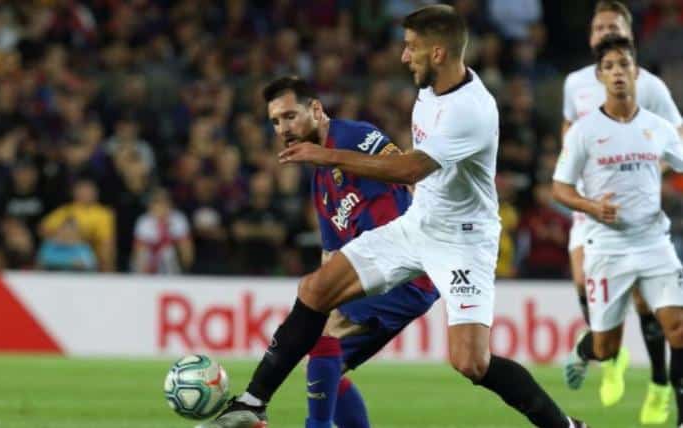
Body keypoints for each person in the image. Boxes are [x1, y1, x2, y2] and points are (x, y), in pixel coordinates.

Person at [205, 5, 587, 428]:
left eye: (411, 48)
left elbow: (409, 169)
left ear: (438, 53)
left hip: (464, 241)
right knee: (316, 289)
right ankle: (252, 403)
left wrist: (326, 155)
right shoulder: (429, 92)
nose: (404, 57)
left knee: (471, 362)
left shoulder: (471, 111)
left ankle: (564, 426)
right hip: (418, 226)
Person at [264, 75, 439, 428]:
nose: (283, 128)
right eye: (275, 122)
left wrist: (330, 156)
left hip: (406, 271)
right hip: (375, 275)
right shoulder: (321, 186)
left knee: (324, 339)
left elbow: (407, 170)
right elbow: (331, 256)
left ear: (316, 109)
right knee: (325, 362)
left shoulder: (355, 136)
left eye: (290, 115)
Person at [561, 1, 683, 419]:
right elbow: (566, 140)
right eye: (598, 26)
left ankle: (661, 383)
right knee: (584, 287)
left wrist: (645, 165)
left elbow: (675, 137)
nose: (603, 31)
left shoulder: (648, 88)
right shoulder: (575, 85)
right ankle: (604, 354)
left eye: (612, 25)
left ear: (630, 35)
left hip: (641, 221)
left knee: (661, 313)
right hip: (592, 208)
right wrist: (585, 189)